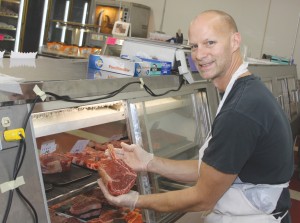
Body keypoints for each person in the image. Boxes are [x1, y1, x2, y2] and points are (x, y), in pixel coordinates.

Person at [98, 10, 294, 223]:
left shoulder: (240, 110)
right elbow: (212, 168)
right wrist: (150, 162)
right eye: (194, 46)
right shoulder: (244, 90)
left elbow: (203, 198)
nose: (199, 55)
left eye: (210, 43)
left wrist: (136, 200)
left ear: (235, 41)